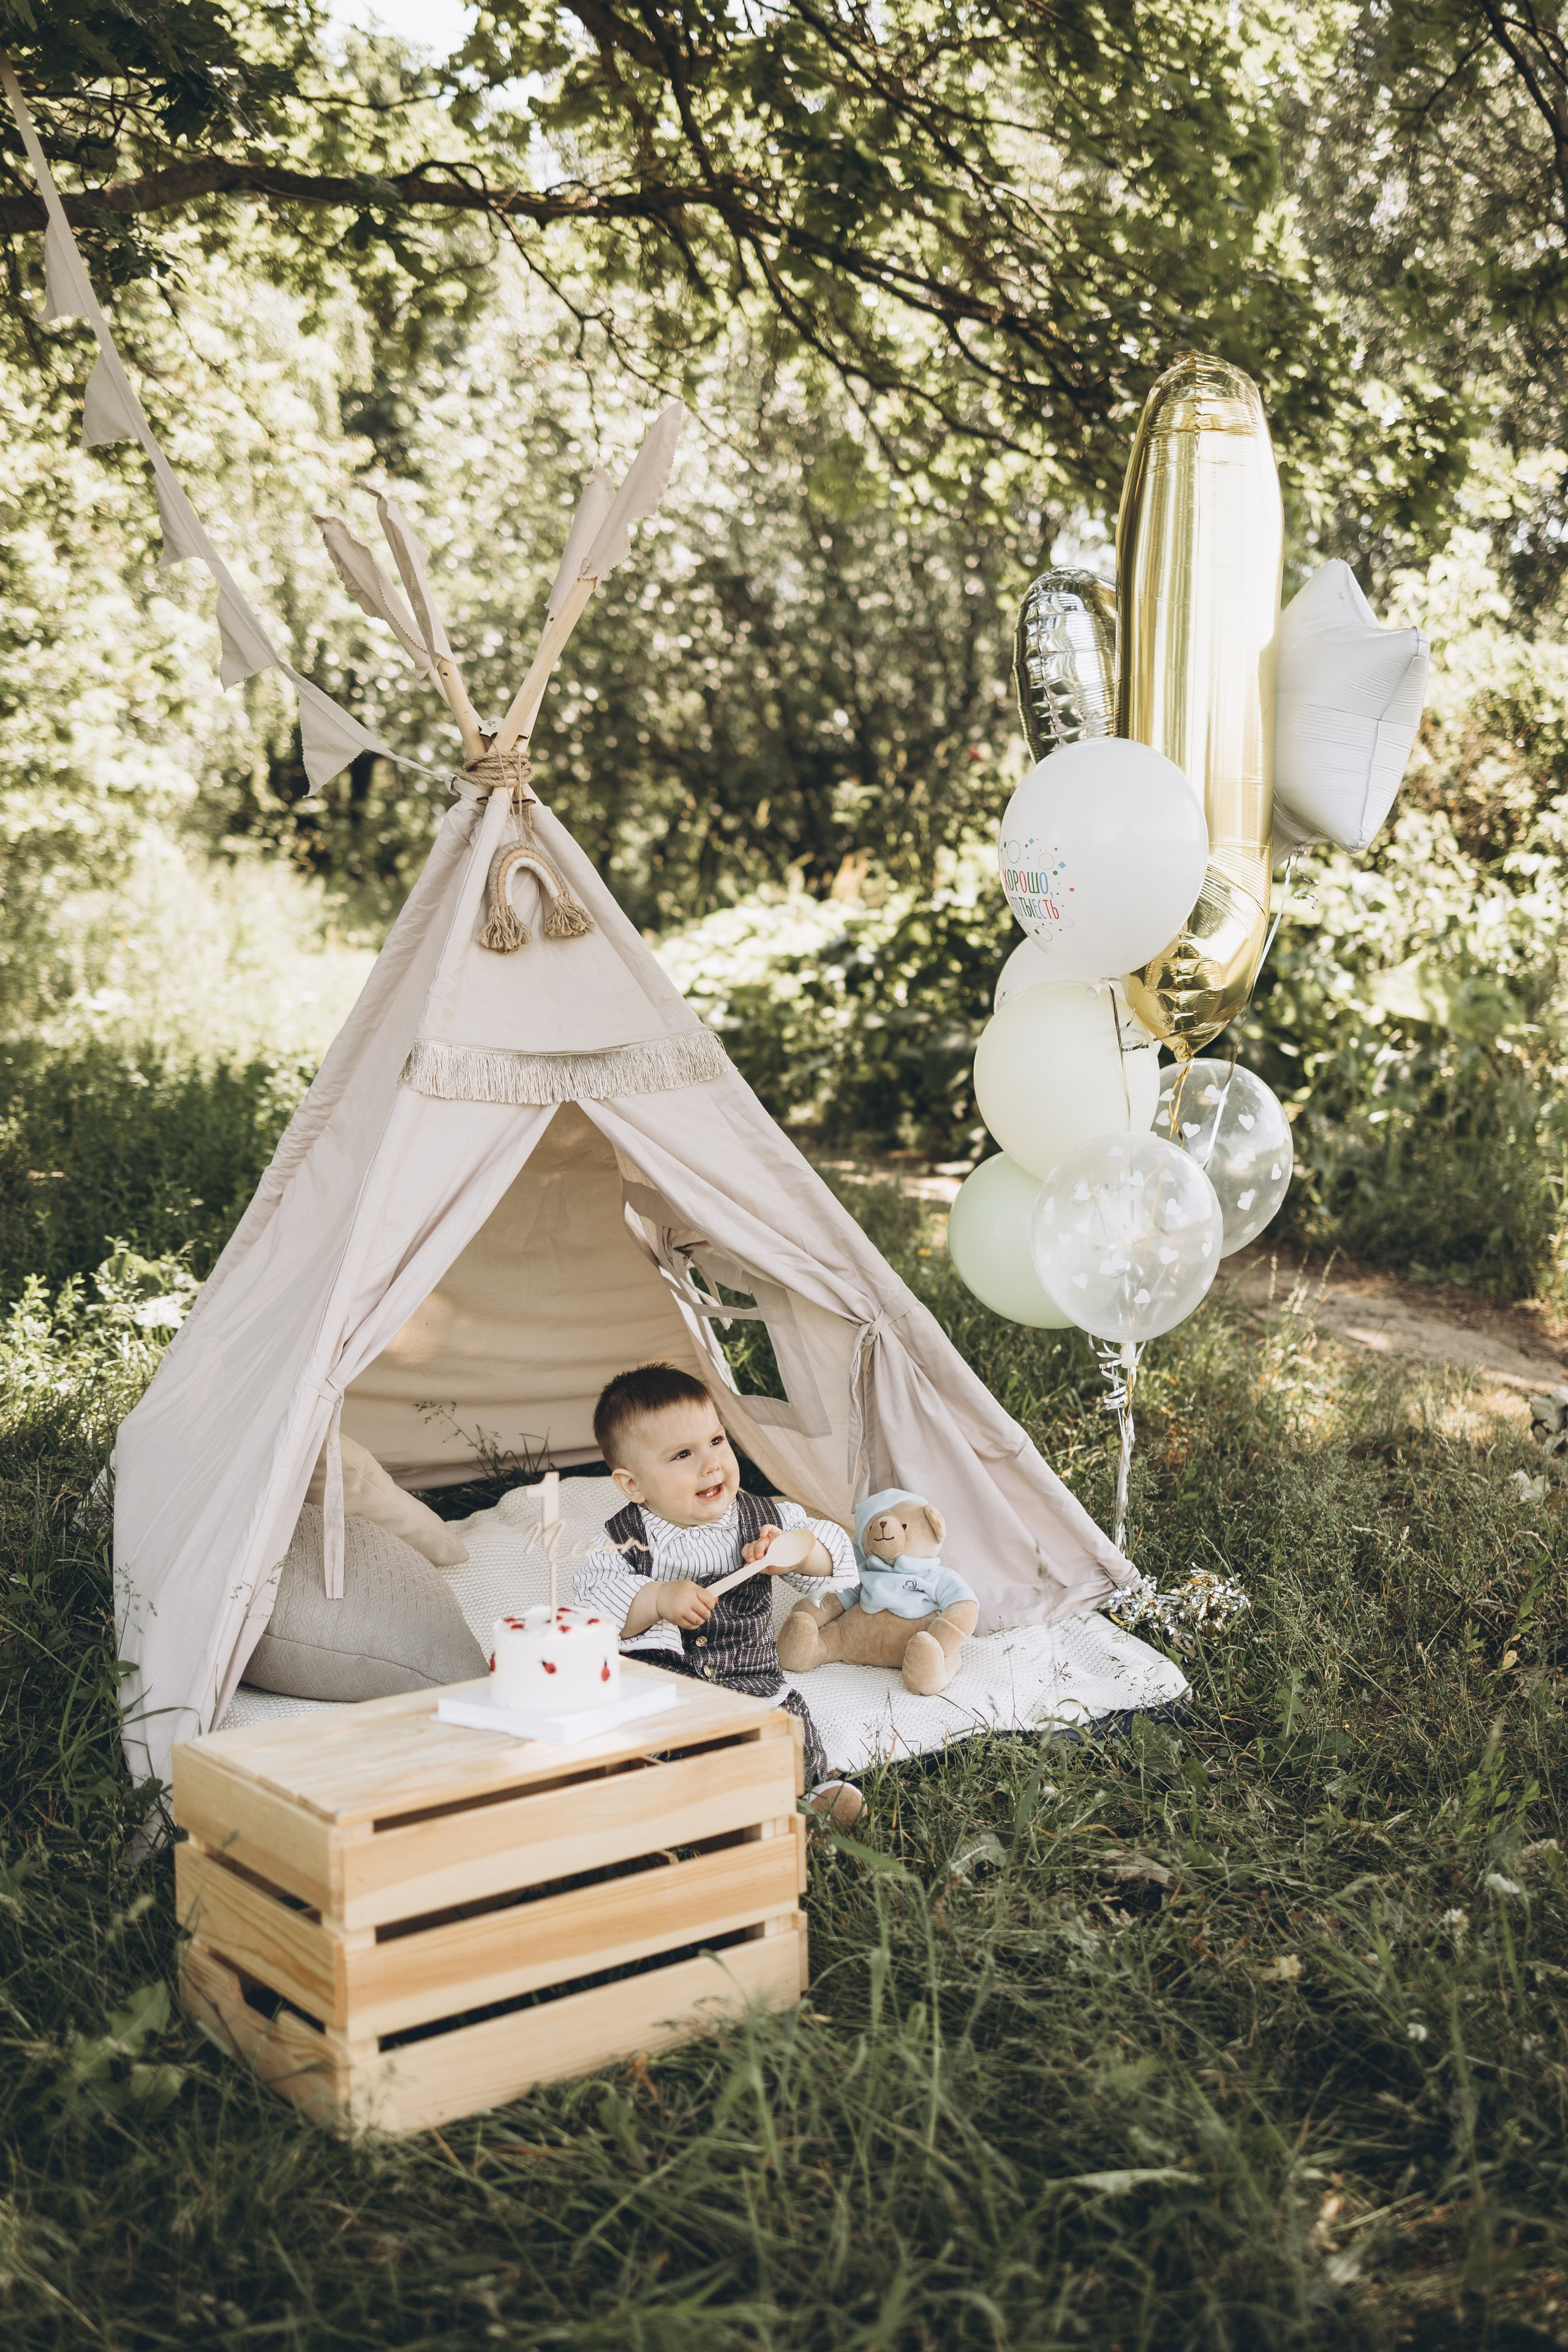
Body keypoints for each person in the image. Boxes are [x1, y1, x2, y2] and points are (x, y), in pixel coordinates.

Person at [576, 1363, 864, 1824]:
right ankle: (698, 1808)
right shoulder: (622, 1541)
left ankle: (811, 1796)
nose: (711, 1464)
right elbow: (594, 1607)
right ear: (633, 1485)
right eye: (682, 1455)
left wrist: (795, 1555)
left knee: (788, 1728)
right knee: (654, 1750)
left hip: (750, 1681)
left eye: (716, 1440)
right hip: (667, 1692)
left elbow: (836, 1556)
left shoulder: (761, 1518)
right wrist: (655, 1599)